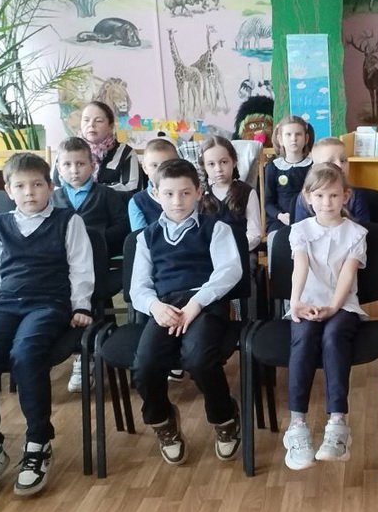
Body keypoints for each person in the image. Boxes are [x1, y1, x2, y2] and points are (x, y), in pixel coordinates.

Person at [0, 153, 94, 501]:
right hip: (6, 304)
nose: (29, 192)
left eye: (37, 184)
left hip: (49, 303)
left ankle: (38, 441)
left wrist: (81, 305)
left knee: (26, 353)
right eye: (20, 186)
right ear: (8, 190)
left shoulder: (68, 221)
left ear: (50, 187)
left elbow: (80, 267)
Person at [130, 159, 244, 465]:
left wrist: (197, 303)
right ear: (156, 194)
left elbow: (229, 271)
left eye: (184, 193)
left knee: (199, 359)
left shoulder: (215, 228)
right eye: (168, 194)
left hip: (206, 304)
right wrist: (154, 307)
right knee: (145, 365)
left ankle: (224, 417)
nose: (177, 201)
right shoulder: (146, 237)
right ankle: (163, 421)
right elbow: (139, 287)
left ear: (198, 192)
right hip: (165, 307)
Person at [281, 163, 369, 469]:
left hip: (342, 305)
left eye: (333, 195)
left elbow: (347, 275)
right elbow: (301, 267)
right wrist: (296, 303)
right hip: (306, 303)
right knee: (304, 338)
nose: (326, 202)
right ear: (308, 197)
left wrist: (332, 307)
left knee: (333, 337)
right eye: (319, 196)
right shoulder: (300, 231)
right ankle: (297, 425)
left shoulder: (356, 233)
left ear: (346, 196)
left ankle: (338, 424)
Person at [52, 136, 130, 392]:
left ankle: (86, 357)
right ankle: (69, 347)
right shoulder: (53, 198)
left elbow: (123, 227)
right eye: (67, 165)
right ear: (58, 168)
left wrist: (95, 240)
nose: (74, 170)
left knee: (91, 296)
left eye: (80, 164)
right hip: (61, 269)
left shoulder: (106, 195)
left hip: (98, 266)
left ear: (92, 166)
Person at [61, 101, 143, 193]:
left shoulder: (125, 153)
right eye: (86, 120)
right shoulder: (67, 150)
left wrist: (92, 192)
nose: (91, 125)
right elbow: (56, 186)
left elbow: (132, 189)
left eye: (98, 121)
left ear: (110, 126)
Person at [201, 135, 262, 252]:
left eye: (223, 162)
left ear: (234, 162)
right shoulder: (201, 195)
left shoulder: (247, 192)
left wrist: (232, 250)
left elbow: (254, 235)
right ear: (204, 166)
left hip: (241, 252)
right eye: (211, 164)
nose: (218, 169)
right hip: (209, 255)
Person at [291, 137, 371, 225]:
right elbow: (301, 229)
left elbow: (362, 229)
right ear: (315, 168)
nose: (339, 165)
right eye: (330, 162)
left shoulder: (356, 195)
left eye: (343, 160)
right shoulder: (305, 198)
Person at [264, 116, 313, 233]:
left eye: (298, 134)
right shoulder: (273, 167)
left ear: (306, 138)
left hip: (307, 218)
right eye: (288, 134)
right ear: (280, 139)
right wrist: (280, 215)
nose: (293, 139)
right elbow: (268, 202)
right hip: (280, 220)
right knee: (276, 238)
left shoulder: (313, 165)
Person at [128, 136, 180, 231]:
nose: (160, 170)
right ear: (145, 168)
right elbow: (140, 236)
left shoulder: (188, 194)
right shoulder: (137, 202)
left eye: (166, 164)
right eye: (154, 165)